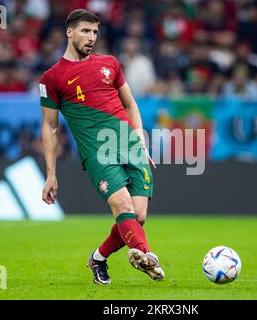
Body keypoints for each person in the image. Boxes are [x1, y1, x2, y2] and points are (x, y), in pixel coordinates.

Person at [39, 9, 164, 285]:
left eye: (95, 32)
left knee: (138, 217)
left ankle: (98, 258)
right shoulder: (52, 78)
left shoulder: (110, 64)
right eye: (85, 31)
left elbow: (130, 104)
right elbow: (50, 127)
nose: (91, 37)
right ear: (69, 32)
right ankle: (144, 254)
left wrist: (141, 139)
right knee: (122, 206)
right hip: (98, 153)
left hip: (130, 144)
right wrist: (51, 174)